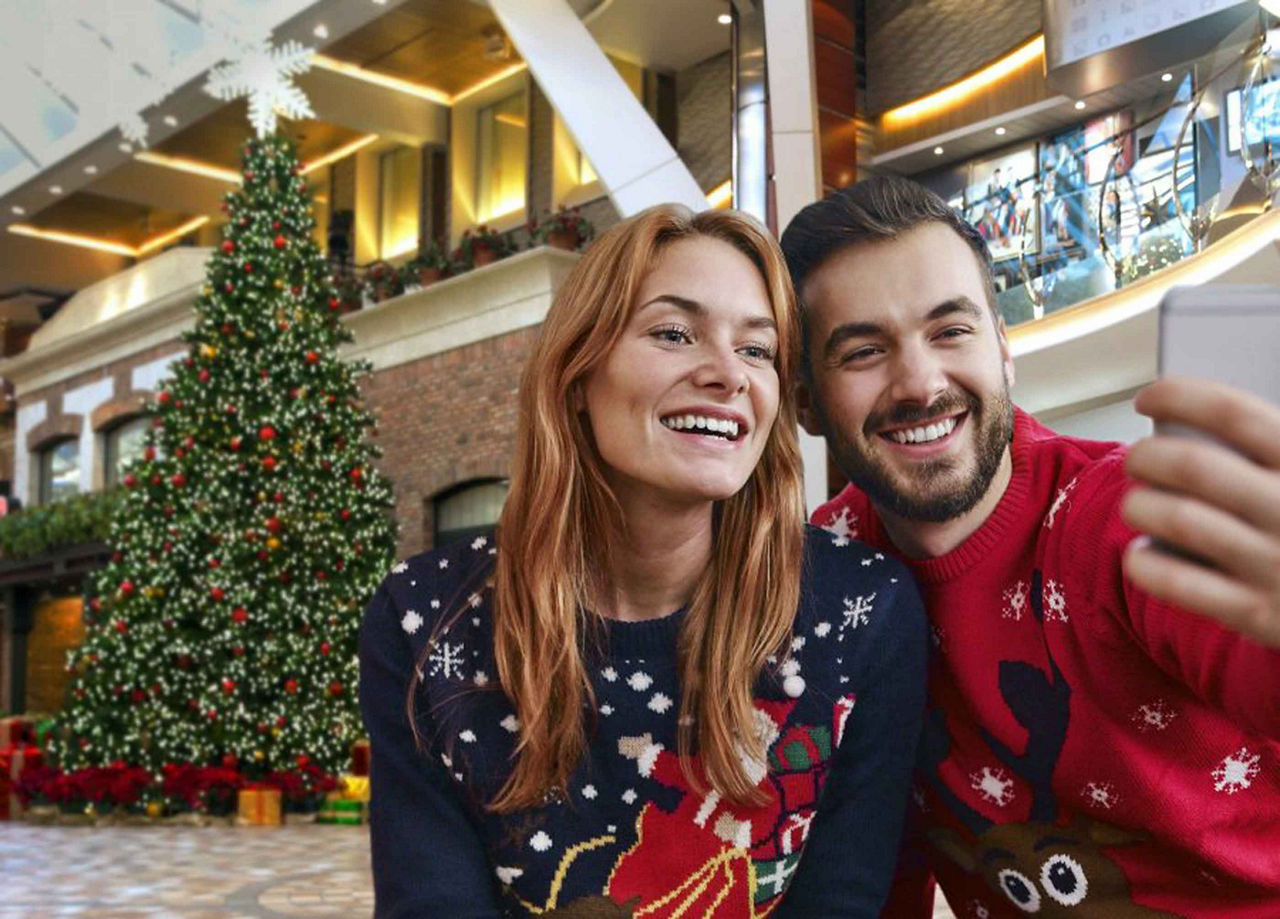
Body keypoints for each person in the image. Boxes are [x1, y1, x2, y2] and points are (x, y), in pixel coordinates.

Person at [359, 205, 928, 918]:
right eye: (673, 333)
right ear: (576, 375)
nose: (728, 373)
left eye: (757, 350)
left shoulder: (860, 610)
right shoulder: (426, 619)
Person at [779, 175, 1280, 917]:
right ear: (805, 402)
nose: (920, 382)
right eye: (862, 352)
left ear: (1003, 349)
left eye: (951, 331)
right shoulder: (821, 587)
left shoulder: (1124, 515)